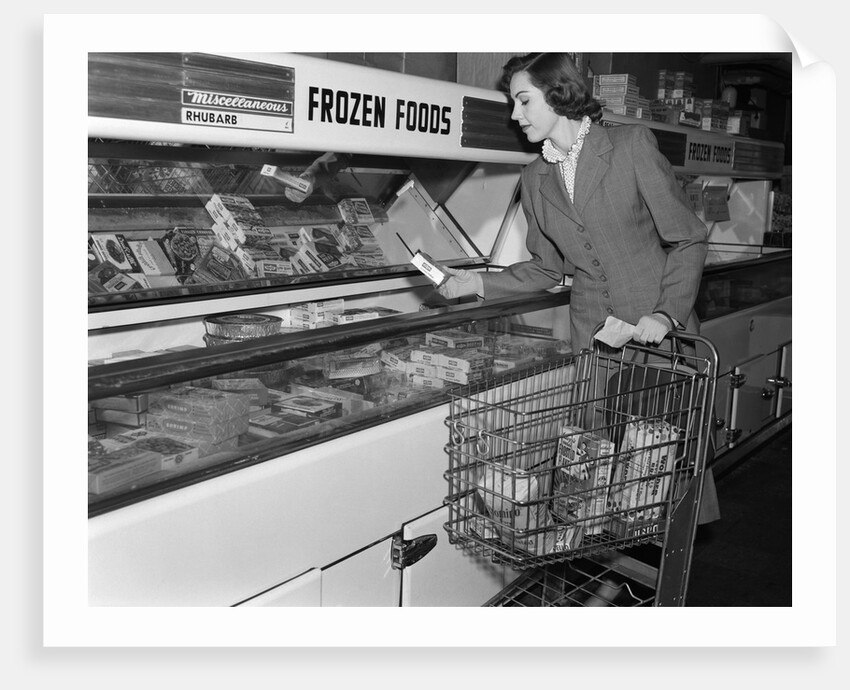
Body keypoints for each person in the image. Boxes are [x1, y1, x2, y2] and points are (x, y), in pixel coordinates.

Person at [437, 53, 708, 355]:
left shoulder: (630, 147)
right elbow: (546, 269)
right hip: (594, 338)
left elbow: (689, 237)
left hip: (657, 333)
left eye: (524, 101)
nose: (515, 115)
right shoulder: (533, 178)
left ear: (557, 94)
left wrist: (667, 313)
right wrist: (475, 282)